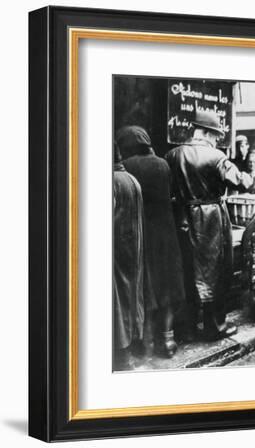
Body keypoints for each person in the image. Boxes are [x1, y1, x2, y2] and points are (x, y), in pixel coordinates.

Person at [165, 110, 254, 341]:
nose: (216, 140)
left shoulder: (173, 154)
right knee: (217, 271)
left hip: (183, 216)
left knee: (188, 271)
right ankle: (215, 327)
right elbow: (241, 182)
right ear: (206, 132)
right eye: (215, 135)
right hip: (211, 218)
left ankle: (187, 329)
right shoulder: (216, 157)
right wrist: (252, 176)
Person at [119, 126, 185, 358]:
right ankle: (167, 339)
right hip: (166, 233)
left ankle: (144, 342)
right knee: (168, 283)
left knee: (145, 287)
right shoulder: (163, 164)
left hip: (141, 234)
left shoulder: (127, 166)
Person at [113, 144, 146, 369]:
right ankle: (134, 344)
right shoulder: (131, 179)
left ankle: (121, 357)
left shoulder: (110, 181)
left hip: (115, 246)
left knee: (117, 300)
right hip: (134, 245)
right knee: (132, 295)